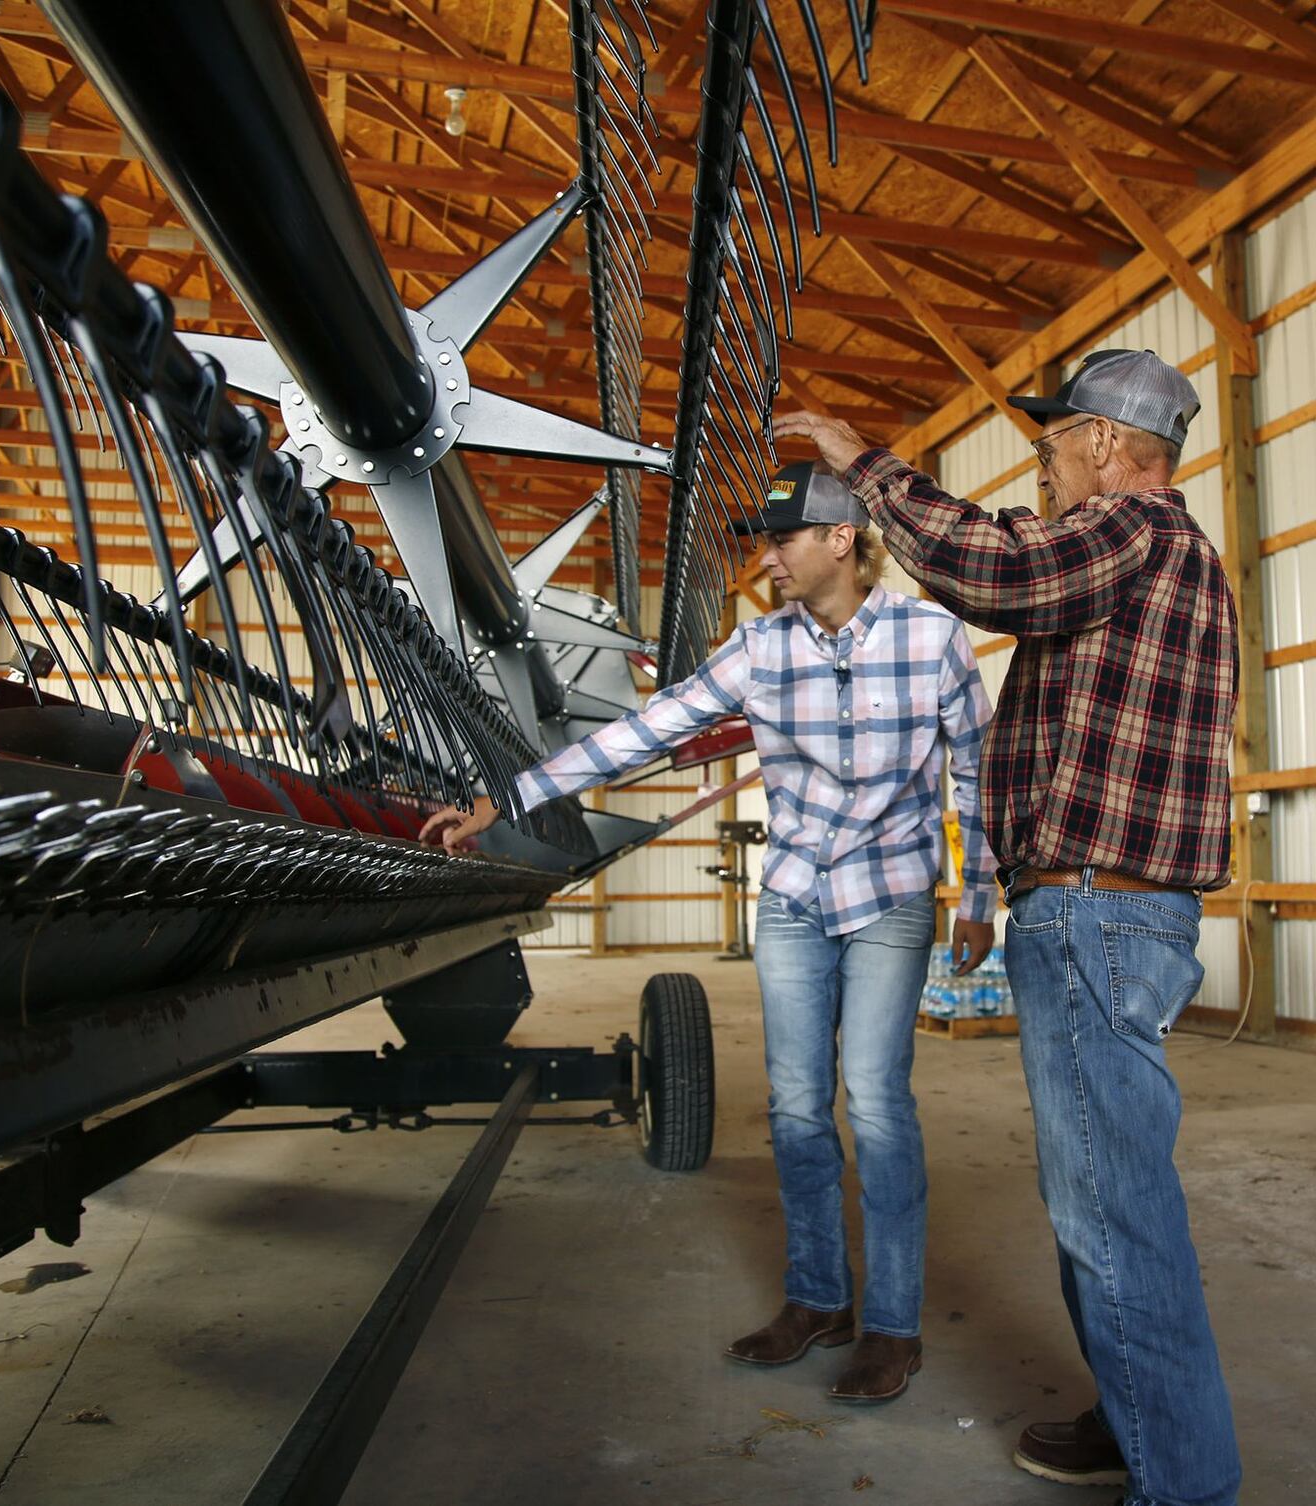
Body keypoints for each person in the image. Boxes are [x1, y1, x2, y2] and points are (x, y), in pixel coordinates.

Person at [420, 463, 997, 1404]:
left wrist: (982, 896)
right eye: (764, 542)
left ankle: (894, 1325)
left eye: (784, 540)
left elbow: (974, 767)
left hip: (891, 897)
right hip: (796, 900)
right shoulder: (757, 648)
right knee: (798, 1107)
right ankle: (818, 1300)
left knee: (878, 1104)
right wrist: (511, 797)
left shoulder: (931, 637)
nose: (767, 558)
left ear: (842, 541)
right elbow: (645, 732)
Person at [775, 348, 1241, 1506]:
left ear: (1101, 444)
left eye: (1048, 448)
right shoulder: (1152, 557)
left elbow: (994, 568)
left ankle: (1182, 1482)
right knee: (1095, 1199)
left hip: (1098, 910)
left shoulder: (1134, 527)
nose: (1040, 471)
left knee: (1111, 1213)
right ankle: (1139, 1418)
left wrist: (859, 462)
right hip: (1092, 908)